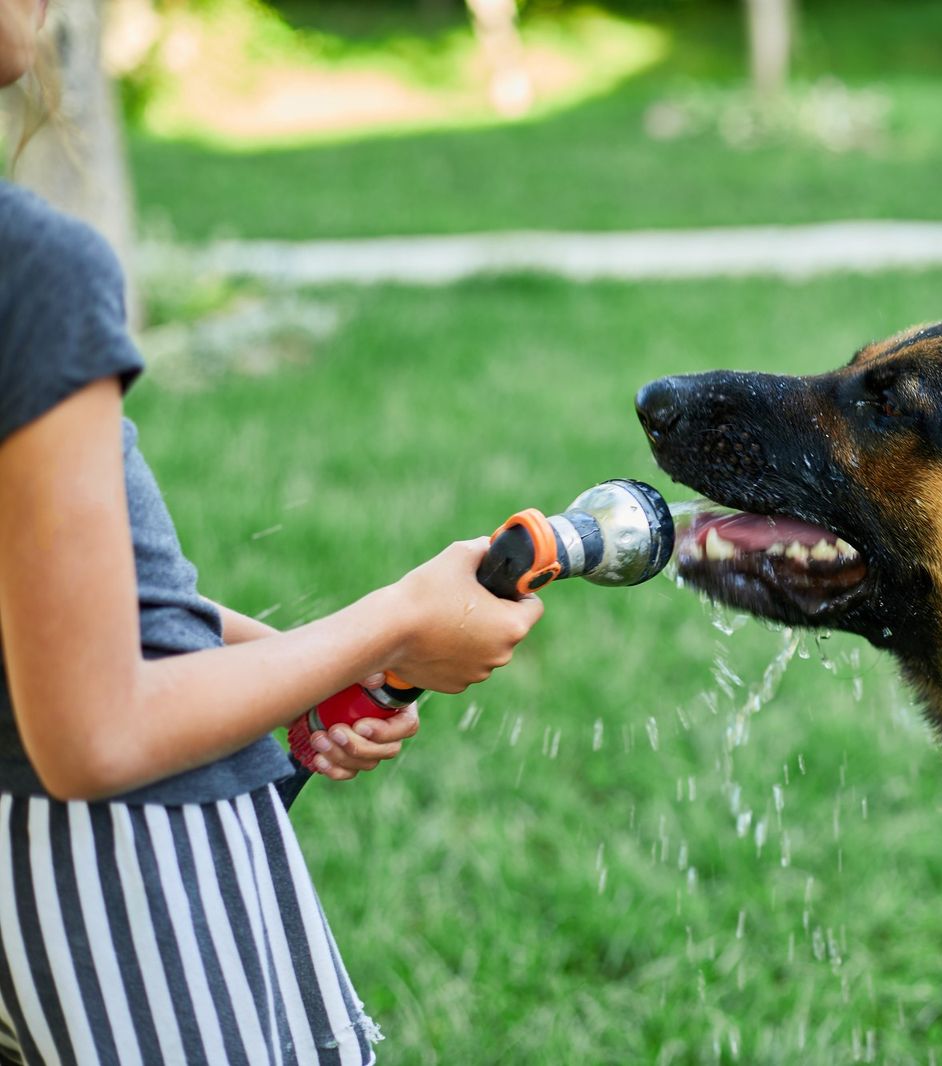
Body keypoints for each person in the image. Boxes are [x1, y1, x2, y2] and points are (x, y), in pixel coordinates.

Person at [0, 2, 543, 1061]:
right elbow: (93, 736)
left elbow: (42, 593)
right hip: (117, 873)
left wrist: (288, 668)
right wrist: (391, 622)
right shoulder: (34, 274)